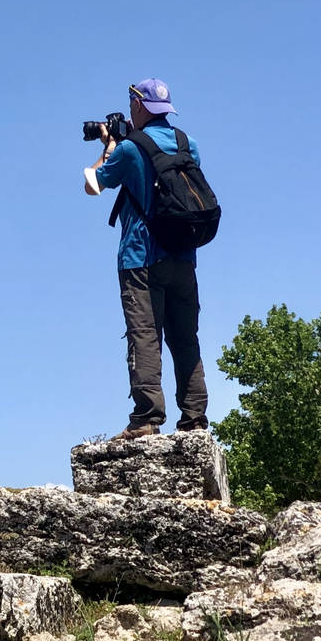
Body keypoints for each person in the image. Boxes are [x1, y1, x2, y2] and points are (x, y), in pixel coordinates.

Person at [83, 78, 209, 438]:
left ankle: (146, 419)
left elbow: (93, 185)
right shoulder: (189, 143)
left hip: (140, 257)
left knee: (145, 335)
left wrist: (108, 147)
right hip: (184, 256)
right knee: (186, 339)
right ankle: (195, 419)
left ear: (138, 106)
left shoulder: (129, 149)